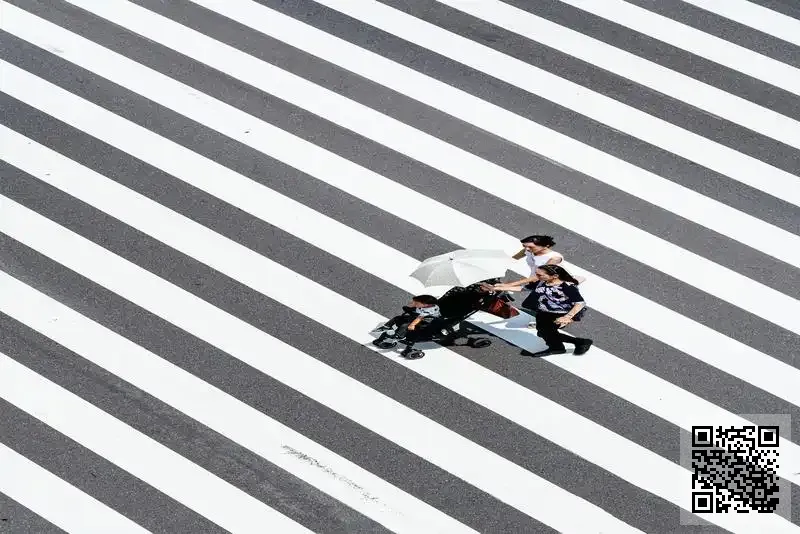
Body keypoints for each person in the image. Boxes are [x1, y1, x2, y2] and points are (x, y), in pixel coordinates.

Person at [493, 265, 592, 356]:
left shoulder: (566, 286)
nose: (536, 276)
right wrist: (499, 287)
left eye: (540, 275)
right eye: (536, 274)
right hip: (543, 311)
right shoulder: (542, 281)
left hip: (560, 313)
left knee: (547, 332)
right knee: (543, 333)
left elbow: (580, 303)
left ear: (554, 276)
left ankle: (559, 347)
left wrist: (567, 317)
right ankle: (576, 343)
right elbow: (524, 288)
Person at [372, 294, 441, 347]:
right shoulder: (423, 305)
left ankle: (400, 336)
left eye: (417, 303)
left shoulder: (430, 310)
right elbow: (413, 306)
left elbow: (419, 318)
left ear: (426, 304)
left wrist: (412, 325)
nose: (415, 304)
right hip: (417, 315)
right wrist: (413, 305)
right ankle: (386, 327)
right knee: (397, 318)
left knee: (405, 325)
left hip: (426, 321)